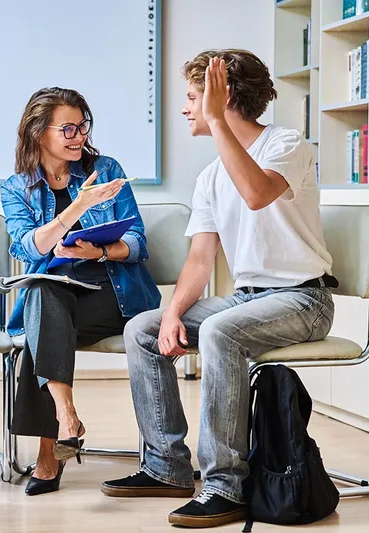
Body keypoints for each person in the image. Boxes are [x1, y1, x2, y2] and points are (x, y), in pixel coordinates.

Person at [102, 50, 335, 528]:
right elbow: (200, 259)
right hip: (247, 299)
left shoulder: (286, 144)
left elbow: (256, 193)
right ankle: (167, 466)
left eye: (193, 98)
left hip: (302, 298)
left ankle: (224, 487)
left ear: (222, 98)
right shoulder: (209, 177)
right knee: (143, 329)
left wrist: (216, 119)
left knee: (219, 334)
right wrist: (171, 314)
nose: (187, 109)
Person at [1, 87, 161, 496]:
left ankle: (50, 452)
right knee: (42, 295)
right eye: (67, 128)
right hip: (58, 291)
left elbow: (139, 242)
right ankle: (66, 417)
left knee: (41, 322)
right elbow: (26, 247)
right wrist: (77, 208)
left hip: (115, 291)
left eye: (82, 126)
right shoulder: (17, 187)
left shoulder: (106, 169)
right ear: (38, 132)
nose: (78, 136)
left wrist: (103, 249)